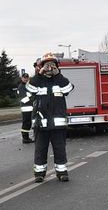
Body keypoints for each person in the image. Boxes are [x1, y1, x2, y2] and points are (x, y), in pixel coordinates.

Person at [25, 53, 74, 182]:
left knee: (59, 149)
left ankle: (62, 172)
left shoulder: (60, 80)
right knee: (40, 149)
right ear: (41, 67)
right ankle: (39, 174)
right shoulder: (37, 81)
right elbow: (29, 88)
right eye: (47, 65)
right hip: (41, 124)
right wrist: (39, 74)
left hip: (57, 125)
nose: (49, 67)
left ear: (57, 66)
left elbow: (69, 88)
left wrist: (58, 75)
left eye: (52, 65)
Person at [17, 73, 34, 144]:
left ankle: (26, 138)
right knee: (26, 123)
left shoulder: (28, 86)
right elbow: (24, 98)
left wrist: (30, 96)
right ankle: (25, 138)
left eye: (27, 77)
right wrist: (32, 97)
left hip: (30, 107)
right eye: (24, 78)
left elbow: (31, 94)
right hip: (25, 107)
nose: (26, 79)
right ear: (22, 78)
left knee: (28, 123)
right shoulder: (21, 86)